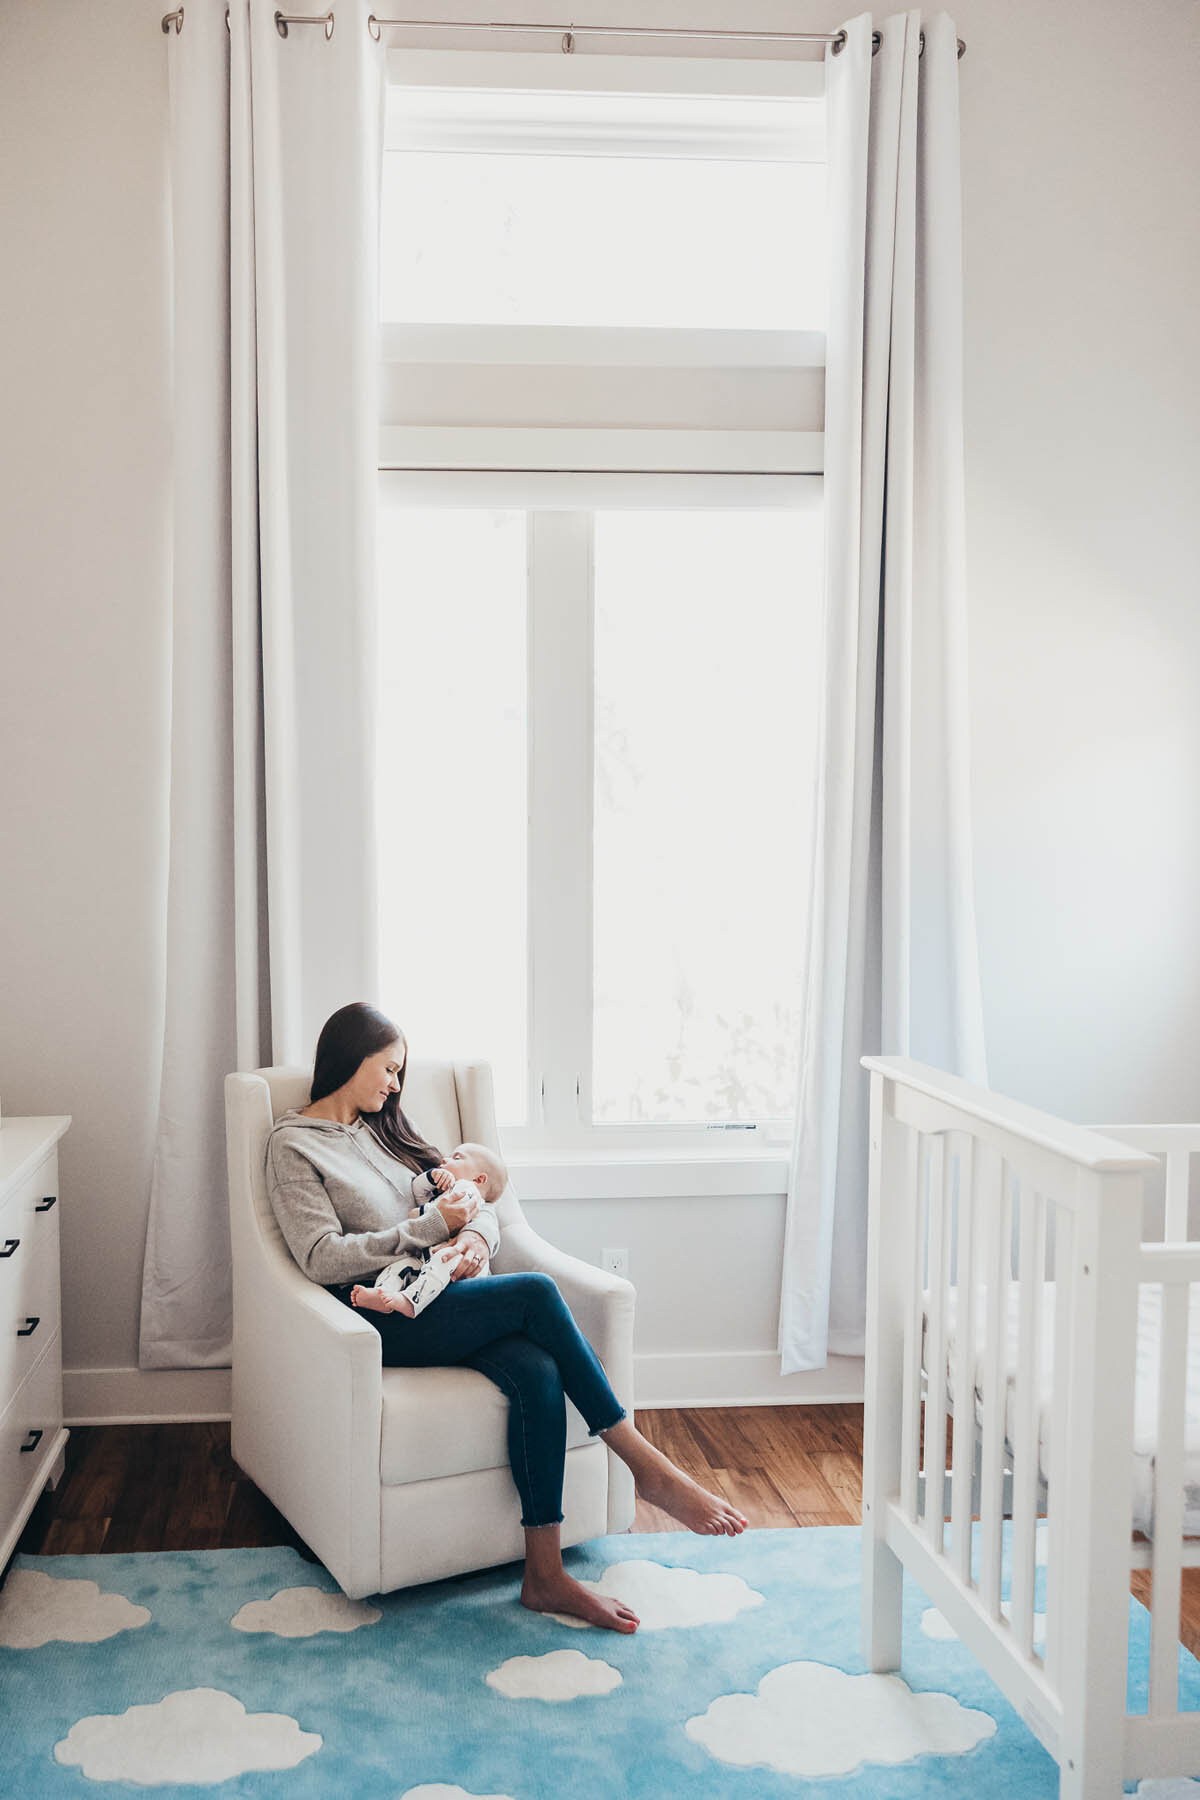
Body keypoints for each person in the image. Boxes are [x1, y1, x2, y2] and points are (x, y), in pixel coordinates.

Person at [264, 1001, 746, 1634]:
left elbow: (477, 1197)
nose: (395, 1085)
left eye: (401, 1073)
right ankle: (644, 1464)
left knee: (538, 1369)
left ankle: (544, 1575)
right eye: (387, 1069)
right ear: (350, 1060)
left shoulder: (391, 1131)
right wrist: (432, 1229)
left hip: (444, 1296)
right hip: (379, 1312)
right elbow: (321, 1258)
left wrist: (477, 1243)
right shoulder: (293, 1145)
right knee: (535, 1294)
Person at [350, 1142, 508, 1319]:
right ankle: (382, 1294)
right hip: (427, 1261)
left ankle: (410, 1301)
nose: (444, 1159)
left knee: (445, 1256)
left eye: (457, 1158)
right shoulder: (442, 1194)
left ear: (479, 1179)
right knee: (401, 1265)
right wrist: (431, 1177)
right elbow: (417, 1192)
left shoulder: (469, 1193)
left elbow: (434, 1213)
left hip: (458, 1269)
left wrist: (419, 1214)